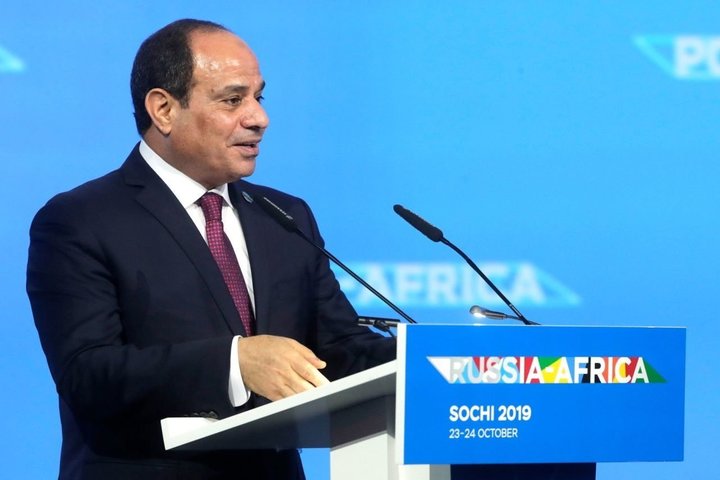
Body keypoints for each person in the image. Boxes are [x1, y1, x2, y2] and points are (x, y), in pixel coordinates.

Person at [27, 19, 395, 480]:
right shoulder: (81, 220)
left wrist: (436, 360)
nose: (258, 118)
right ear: (163, 109)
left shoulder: (285, 216)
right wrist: (235, 363)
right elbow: (88, 374)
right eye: (232, 100)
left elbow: (338, 350)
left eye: (259, 97)